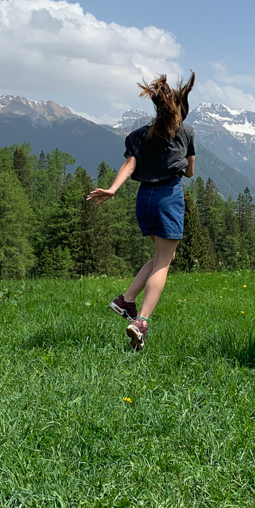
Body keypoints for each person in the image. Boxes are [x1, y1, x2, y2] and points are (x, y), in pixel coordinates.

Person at [87, 72, 196, 351]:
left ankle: (126, 300)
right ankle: (141, 321)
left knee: (164, 255)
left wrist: (112, 189)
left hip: (143, 199)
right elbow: (191, 172)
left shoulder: (138, 135)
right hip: (168, 196)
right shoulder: (186, 133)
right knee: (163, 263)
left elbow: (130, 165)